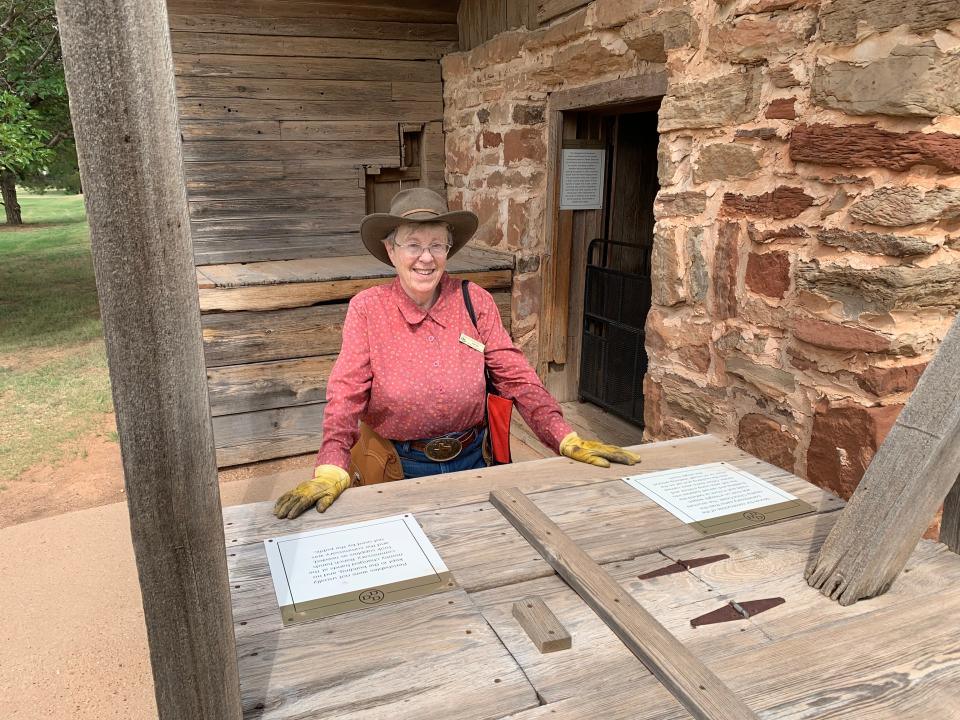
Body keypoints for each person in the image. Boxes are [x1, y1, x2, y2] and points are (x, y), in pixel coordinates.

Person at [273, 188, 641, 519]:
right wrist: (332, 465)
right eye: (413, 244)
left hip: (474, 460)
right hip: (397, 467)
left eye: (437, 245)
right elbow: (345, 393)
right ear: (391, 250)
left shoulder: (474, 301)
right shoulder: (368, 309)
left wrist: (562, 435)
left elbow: (515, 376)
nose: (426, 258)